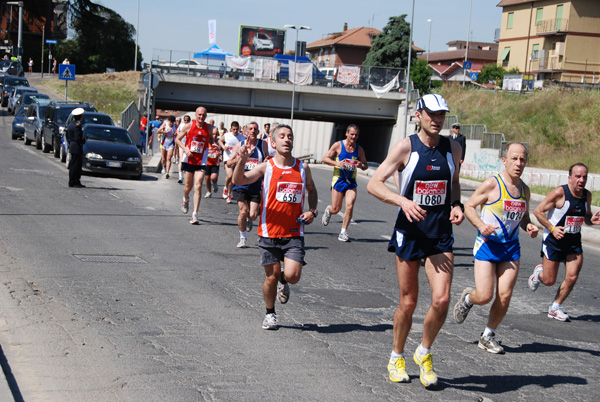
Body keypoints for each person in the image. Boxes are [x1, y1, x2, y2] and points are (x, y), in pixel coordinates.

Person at [366, 94, 464, 388]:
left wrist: (457, 205)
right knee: (408, 302)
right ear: (419, 115)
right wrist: (403, 202)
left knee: (443, 299)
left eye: (442, 115)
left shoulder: (454, 147)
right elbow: (373, 184)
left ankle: (424, 352)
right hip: (409, 232)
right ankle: (397, 356)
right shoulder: (406, 147)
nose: (437, 120)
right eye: (432, 114)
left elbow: (454, 181)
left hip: (440, 232)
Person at [453, 142, 539, 354]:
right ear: (504, 160)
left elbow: (523, 216)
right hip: (488, 246)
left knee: (505, 295)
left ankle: (487, 335)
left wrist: (528, 225)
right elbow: (470, 206)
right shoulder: (492, 184)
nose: (518, 163)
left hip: (511, 248)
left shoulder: (524, 190)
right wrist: (481, 226)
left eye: (522, 160)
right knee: (484, 295)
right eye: (514, 159)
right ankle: (467, 298)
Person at [232, 124, 318, 330]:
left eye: (290, 136)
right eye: (282, 136)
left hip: (294, 231)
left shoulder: (302, 168)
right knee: (270, 276)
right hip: (269, 231)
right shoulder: (267, 166)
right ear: (273, 142)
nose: (286, 139)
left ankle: (284, 280)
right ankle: (270, 313)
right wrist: (242, 158)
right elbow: (239, 179)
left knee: (293, 276)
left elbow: (312, 190)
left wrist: (312, 211)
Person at [528, 163, 600, 321]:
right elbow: (538, 211)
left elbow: (586, 217)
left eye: (584, 177)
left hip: (573, 242)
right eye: (578, 176)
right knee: (549, 280)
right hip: (554, 241)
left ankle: (555, 307)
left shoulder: (587, 195)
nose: (581, 180)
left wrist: (591, 220)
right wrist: (552, 228)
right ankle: (538, 274)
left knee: (572, 276)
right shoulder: (560, 193)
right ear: (570, 178)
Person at [321, 124, 368, 242]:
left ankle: (343, 232)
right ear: (347, 133)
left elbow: (365, 165)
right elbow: (325, 158)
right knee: (336, 209)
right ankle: (329, 210)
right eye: (352, 134)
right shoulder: (338, 145)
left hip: (351, 181)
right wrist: (337, 164)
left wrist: (360, 165)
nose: (353, 137)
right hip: (339, 179)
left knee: (350, 205)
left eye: (356, 135)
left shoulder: (359, 149)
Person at [226, 122, 267, 248]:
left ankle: (249, 219)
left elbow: (268, 159)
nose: (253, 131)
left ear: (258, 131)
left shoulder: (262, 144)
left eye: (255, 129)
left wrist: (267, 161)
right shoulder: (240, 145)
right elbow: (228, 163)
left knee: (253, 215)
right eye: (250, 129)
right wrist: (240, 158)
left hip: (255, 184)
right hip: (240, 183)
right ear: (245, 131)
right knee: (243, 211)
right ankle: (242, 238)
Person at [175, 106, 213, 225]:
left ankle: (195, 214)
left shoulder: (210, 127)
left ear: (206, 116)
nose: (201, 117)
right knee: (188, 186)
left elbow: (210, 140)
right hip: (189, 159)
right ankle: (185, 199)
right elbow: (177, 139)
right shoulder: (189, 126)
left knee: (198, 185)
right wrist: (185, 148)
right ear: (196, 115)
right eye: (199, 115)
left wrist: (214, 145)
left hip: (201, 160)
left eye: (204, 115)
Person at [219, 121, 246, 203]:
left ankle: (229, 194)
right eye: (233, 129)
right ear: (231, 129)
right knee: (229, 175)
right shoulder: (227, 135)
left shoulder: (242, 137)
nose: (235, 131)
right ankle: (226, 187)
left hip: (237, 159)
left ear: (239, 129)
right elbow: (220, 141)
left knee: (233, 178)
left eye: (236, 129)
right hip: (228, 158)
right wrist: (224, 147)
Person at [66, 108, 86, 188]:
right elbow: (78, 138)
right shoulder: (77, 126)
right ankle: (74, 181)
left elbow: (68, 136)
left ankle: (72, 180)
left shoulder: (71, 124)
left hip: (72, 146)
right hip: (77, 148)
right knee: (76, 165)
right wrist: (83, 140)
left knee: (73, 164)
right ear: (80, 117)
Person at [204, 127, 221, 198]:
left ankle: (214, 183)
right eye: (212, 134)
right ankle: (209, 191)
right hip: (207, 162)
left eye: (215, 134)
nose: (214, 135)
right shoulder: (206, 141)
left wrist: (219, 153)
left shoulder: (219, 142)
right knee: (207, 178)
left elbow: (222, 151)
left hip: (215, 163)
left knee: (213, 177)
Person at [177, 114, 192, 183]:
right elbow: (178, 133)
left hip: (189, 146)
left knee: (187, 161)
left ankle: (187, 176)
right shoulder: (181, 125)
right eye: (185, 120)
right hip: (181, 145)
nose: (186, 121)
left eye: (187, 120)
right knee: (181, 160)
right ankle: (180, 177)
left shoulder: (191, 126)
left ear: (190, 120)